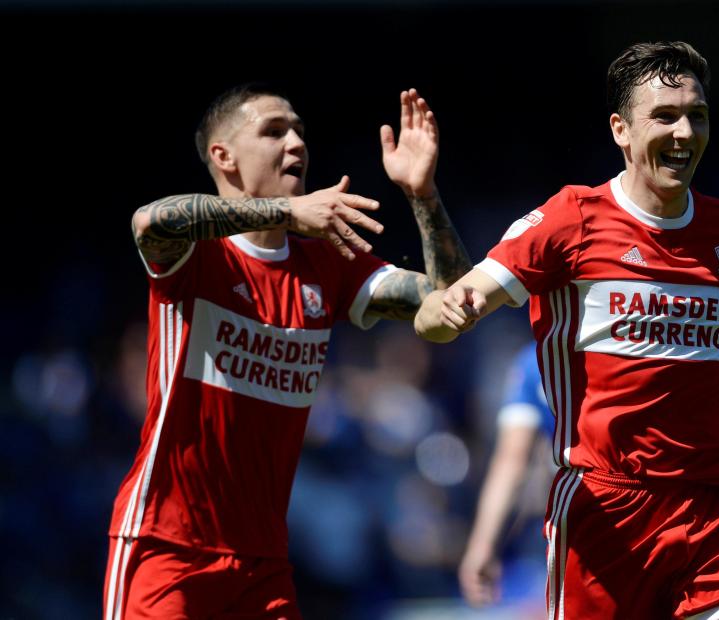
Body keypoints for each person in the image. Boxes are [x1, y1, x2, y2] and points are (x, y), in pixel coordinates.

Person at [415, 42, 719, 619]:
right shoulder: (572, 219)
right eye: (664, 116)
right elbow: (437, 318)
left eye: (696, 115)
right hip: (607, 512)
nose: (684, 132)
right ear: (621, 130)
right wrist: (442, 310)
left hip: (718, 506)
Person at [104, 84, 471, 619]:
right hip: (167, 546)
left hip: (263, 563)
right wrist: (285, 210)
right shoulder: (196, 254)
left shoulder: (328, 265)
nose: (296, 142)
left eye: (299, 130)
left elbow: (451, 309)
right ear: (223, 156)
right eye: (274, 131)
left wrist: (423, 196)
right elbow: (148, 222)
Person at [459, 342, 555, 607]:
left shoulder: (537, 360)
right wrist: (483, 544)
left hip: (586, 515)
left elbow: (511, 460)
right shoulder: (533, 363)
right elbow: (511, 460)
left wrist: (482, 546)